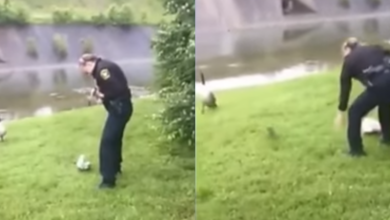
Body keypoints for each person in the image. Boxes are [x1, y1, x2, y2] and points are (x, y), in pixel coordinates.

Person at [78, 54, 133, 188]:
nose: (82, 72)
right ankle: (115, 168)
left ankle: (108, 181)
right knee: (114, 139)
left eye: (82, 68)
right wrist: (99, 92)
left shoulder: (103, 70)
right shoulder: (102, 68)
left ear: (88, 63)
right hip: (121, 108)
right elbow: (112, 86)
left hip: (119, 109)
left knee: (107, 142)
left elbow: (117, 89)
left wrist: (102, 96)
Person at [334, 37, 390, 157]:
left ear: (347, 49)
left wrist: (341, 111)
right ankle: (387, 138)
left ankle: (356, 151)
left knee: (354, 112)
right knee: (385, 103)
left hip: (380, 85)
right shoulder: (374, 48)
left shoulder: (349, 60)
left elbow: (345, 87)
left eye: (343, 52)